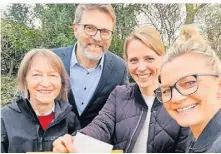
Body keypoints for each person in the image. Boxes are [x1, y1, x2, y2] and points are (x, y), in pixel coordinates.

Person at [52, 26, 189, 153]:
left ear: (162, 58)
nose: (141, 67)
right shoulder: (119, 95)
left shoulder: (181, 101)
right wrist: (76, 140)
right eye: (134, 60)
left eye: (149, 59)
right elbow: (101, 126)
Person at [52, 4, 128, 128]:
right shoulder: (52, 59)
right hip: (53, 145)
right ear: (75, 29)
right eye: (90, 28)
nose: (97, 38)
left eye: (105, 31)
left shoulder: (119, 68)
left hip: (97, 144)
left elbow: (121, 115)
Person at [155, 25, 221, 152]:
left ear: (219, 87)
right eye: (166, 90)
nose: (176, 98)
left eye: (189, 83)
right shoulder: (196, 133)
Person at [1, 49, 80, 153]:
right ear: (25, 80)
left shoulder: (70, 119)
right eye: (36, 75)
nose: (45, 83)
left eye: (52, 75)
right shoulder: (5, 118)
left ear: (61, 82)